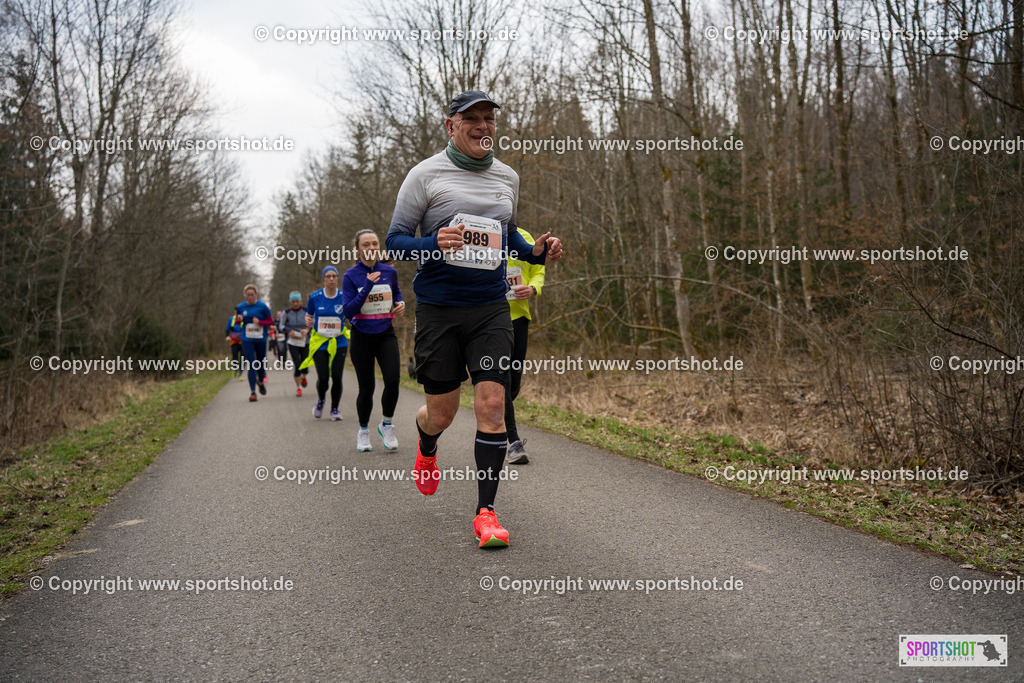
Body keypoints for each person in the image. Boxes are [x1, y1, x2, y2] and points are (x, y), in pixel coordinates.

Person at [386, 90, 563, 548]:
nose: (483, 127)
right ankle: (426, 448)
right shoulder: (424, 176)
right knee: (442, 413)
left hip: (490, 307)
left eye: (489, 119)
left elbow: (509, 239)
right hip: (440, 309)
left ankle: (486, 513)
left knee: (491, 406)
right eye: (472, 120)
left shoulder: (507, 177)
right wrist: (433, 243)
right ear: (451, 126)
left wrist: (536, 251)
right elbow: (395, 242)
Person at [343, 229, 406, 452]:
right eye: (366, 245)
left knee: (392, 380)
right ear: (358, 249)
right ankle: (363, 432)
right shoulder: (350, 276)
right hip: (361, 337)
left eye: (375, 244)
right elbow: (348, 311)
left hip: (385, 334)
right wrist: (367, 287)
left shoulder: (389, 271)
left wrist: (401, 304)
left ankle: (387, 424)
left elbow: (396, 293)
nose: (371, 248)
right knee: (366, 388)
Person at [504, 227, 545, 464]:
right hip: (492, 318)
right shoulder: (484, 235)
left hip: (519, 317)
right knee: (503, 380)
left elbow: (538, 271)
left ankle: (494, 422)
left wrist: (533, 288)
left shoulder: (526, 238)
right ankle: (513, 442)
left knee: (513, 385)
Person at [300, 266, 349, 420]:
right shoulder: (315, 297)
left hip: (338, 341)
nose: (332, 279)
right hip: (320, 342)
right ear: (324, 279)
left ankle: (335, 409)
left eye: (334, 276)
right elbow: (308, 316)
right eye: (328, 276)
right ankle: (321, 400)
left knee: (337, 376)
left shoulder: (344, 296)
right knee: (323, 378)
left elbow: (351, 313)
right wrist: (308, 321)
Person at [235, 284, 274, 402]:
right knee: (251, 364)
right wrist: (239, 320)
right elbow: (237, 323)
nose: (250, 297)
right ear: (245, 295)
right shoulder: (241, 307)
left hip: (261, 338)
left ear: (255, 295)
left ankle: (261, 382)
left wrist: (260, 322)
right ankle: (253, 392)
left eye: (252, 295)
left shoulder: (262, 306)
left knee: (261, 364)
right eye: (248, 295)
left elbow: (271, 322)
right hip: (247, 339)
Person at [279, 292, 310, 397]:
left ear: (300, 301)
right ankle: (298, 388)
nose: (295, 303)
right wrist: (288, 330)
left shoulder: (306, 310)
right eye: (293, 301)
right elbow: (281, 325)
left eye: (297, 301)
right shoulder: (286, 312)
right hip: (292, 342)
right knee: (297, 364)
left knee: (305, 365)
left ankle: (303, 377)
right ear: (290, 302)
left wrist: (307, 330)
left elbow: (313, 323)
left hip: (305, 341)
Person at [225, 314, 243, 380]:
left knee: (243, 357)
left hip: (243, 341)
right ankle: (235, 369)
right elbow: (227, 329)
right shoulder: (231, 319)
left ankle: (240, 374)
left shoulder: (244, 319)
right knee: (234, 356)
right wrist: (227, 336)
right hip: (234, 341)